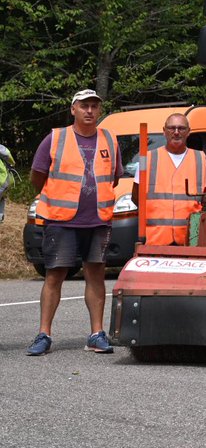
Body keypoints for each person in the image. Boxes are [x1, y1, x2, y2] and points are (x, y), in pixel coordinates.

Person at [26, 89, 121, 356]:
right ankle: (44, 334)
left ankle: (96, 334)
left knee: (96, 275)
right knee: (54, 275)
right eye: (84, 106)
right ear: (73, 109)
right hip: (61, 220)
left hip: (98, 220)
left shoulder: (109, 140)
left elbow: (112, 178)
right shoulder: (56, 138)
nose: (90, 111)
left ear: (99, 110)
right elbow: (37, 176)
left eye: (94, 106)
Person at [142, 114, 206, 246]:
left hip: (190, 237)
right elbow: (136, 197)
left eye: (181, 128)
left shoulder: (200, 159)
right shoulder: (149, 158)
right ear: (164, 131)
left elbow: (204, 197)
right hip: (156, 238)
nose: (176, 132)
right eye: (171, 128)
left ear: (188, 132)